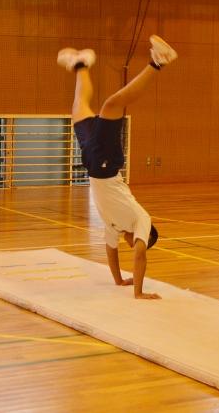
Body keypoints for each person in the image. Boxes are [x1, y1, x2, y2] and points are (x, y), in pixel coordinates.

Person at [59, 35, 177, 299]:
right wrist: (138, 292)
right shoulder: (141, 220)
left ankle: (81, 65)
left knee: (79, 109)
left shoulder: (114, 227)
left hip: (93, 164)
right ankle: (158, 62)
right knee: (111, 105)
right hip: (107, 165)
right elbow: (140, 256)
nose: (131, 244)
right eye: (136, 242)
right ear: (144, 236)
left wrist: (118, 280)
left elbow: (110, 252)